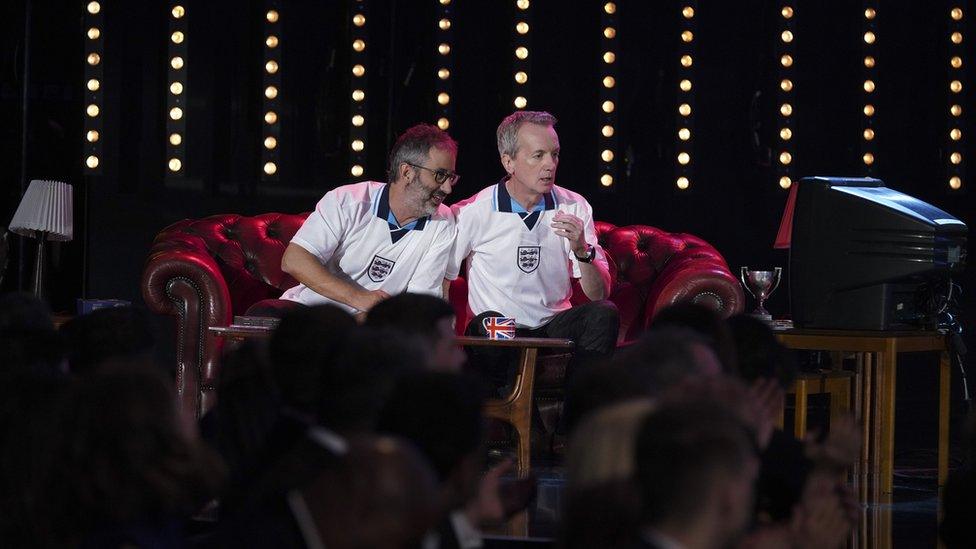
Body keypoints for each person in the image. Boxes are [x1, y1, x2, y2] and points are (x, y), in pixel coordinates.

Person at [448, 111, 618, 385]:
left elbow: (599, 294)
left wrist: (581, 249)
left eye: (555, 154)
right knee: (488, 323)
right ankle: (511, 418)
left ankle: (575, 422)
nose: (550, 165)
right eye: (538, 155)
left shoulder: (574, 206)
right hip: (501, 328)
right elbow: (444, 276)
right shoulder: (473, 211)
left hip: (551, 326)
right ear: (508, 161)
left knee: (604, 313)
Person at [276, 123, 460, 317]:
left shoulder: (443, 223)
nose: (447, 188)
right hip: (309, 312)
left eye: (451, 177)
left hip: (374, 327)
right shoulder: (348, 200)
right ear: (407, 172)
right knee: (265, 313)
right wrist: (361, 298)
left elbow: (419, 303)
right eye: (440, 175)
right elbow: (294, 259)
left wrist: (363, 323)